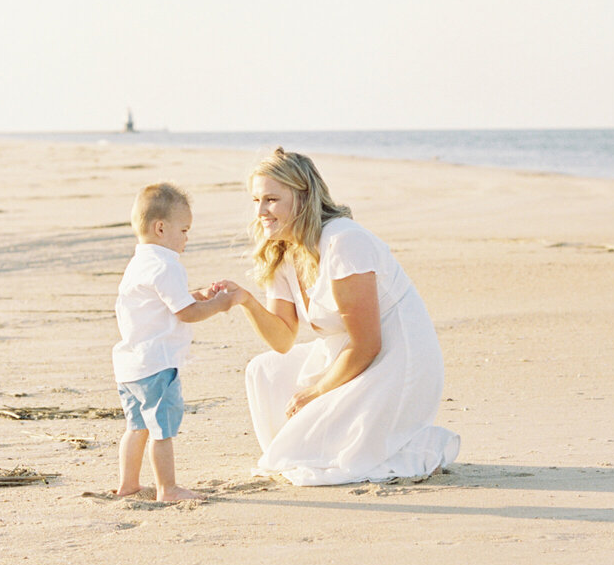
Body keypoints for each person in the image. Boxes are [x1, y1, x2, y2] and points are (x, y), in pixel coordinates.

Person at [216, 149, 458, 486]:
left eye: (271, 199)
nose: (260, 212)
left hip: (397, 360)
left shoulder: (345, 242)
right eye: (256, 200)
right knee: (264, 372)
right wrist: (245, 301)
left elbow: (368, 344)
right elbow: (283, 339)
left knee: (327, 464)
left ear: (302, 198)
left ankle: (420, 446)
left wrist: (317, 391)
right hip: (348, 352)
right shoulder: (282, 251)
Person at [112, 182, 235, 501]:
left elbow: (169, 303)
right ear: (161, 228)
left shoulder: (139, 262)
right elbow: (187, 313)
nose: (186, 238)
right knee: (161, 430)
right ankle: (167, 488)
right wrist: (219, 304)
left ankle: (128, 484)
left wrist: (200, 296)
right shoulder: (167, 265)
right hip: (158, 363)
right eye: (184, 229)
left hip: (130, 365)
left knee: (135, 427)